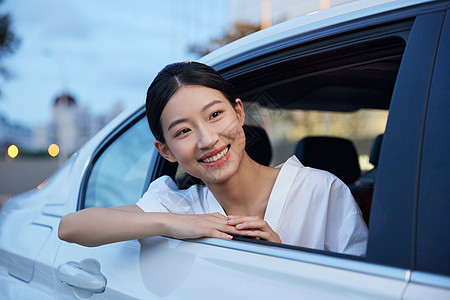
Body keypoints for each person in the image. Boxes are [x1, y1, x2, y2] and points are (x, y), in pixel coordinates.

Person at [58, 61, 368, 256]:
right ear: (165, 151)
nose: (207, 140)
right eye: (183, 132)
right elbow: (72, 227)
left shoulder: (320, 191)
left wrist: (285, 256)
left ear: (239, 112)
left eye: (215, 115)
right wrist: (175, 224)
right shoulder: (179, 205)